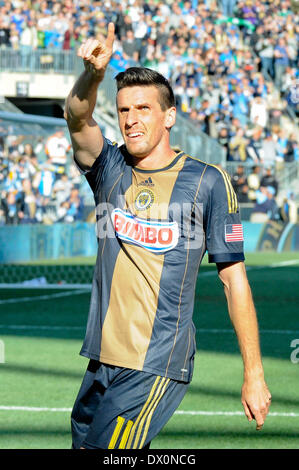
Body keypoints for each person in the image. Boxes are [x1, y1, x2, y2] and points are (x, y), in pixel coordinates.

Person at [65, 23, 271, 450]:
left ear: (169, 116)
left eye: (143, 108)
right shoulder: (108, 168)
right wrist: (94, 76)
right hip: (101, 360)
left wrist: (254, 374)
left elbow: (234, 282)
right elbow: (76, 115)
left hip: (155, 363)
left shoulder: (208, 182)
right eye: (124, 111)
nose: (131, 120)